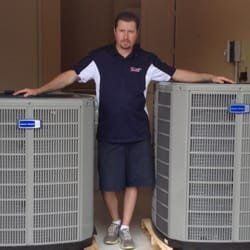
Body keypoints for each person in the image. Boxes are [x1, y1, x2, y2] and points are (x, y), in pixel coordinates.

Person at [14, 11, 234, 250]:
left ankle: (126, 227)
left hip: (138, 133)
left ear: (137, 33)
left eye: (131, 31)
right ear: (115, 32)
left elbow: (177, 74)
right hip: (109, 132)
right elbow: (71, 75)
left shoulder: (146, 60)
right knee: (109, 184)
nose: (126, 36)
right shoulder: (99, 58)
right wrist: (39, 90)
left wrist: (209, 77)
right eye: (121, 31)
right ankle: (115, 221)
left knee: (133, 182)